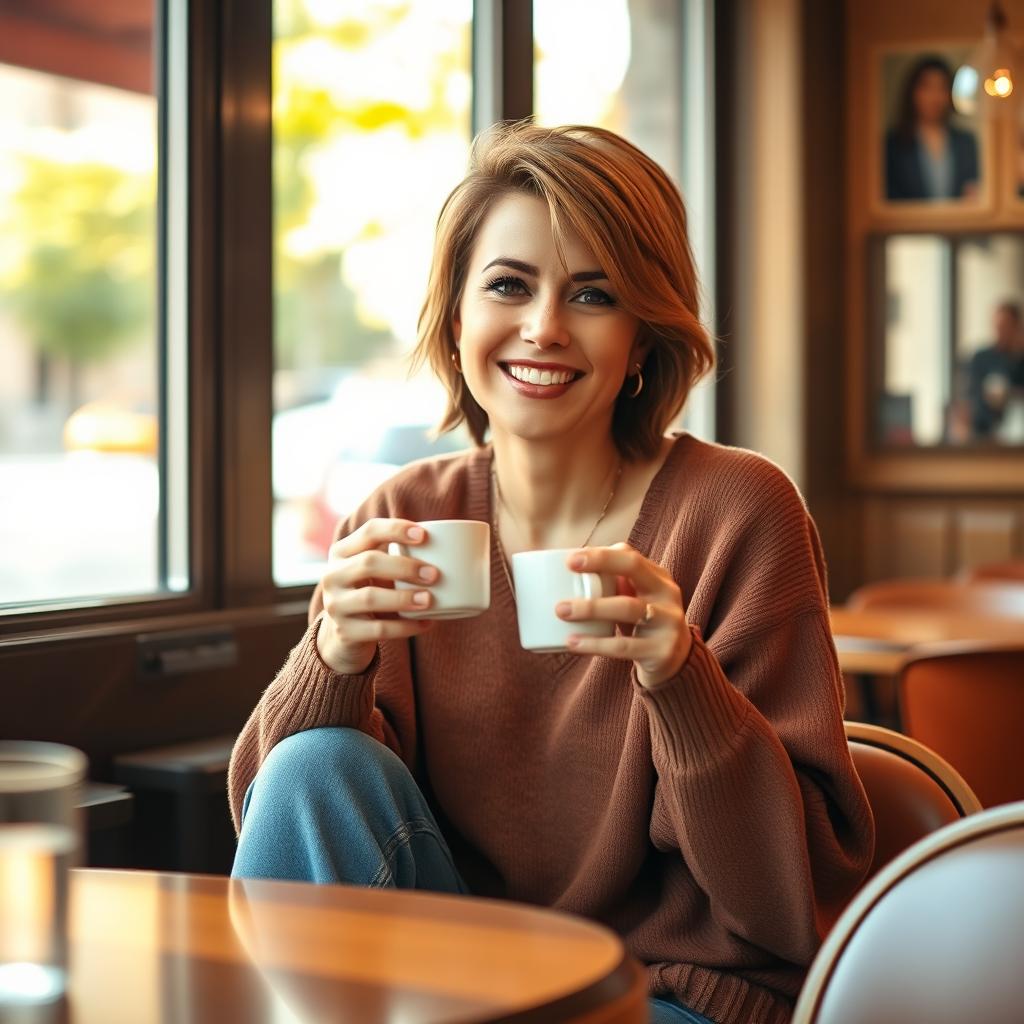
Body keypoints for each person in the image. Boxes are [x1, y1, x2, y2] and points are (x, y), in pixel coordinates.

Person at [228, 123, 874, 1024]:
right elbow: (286, 827)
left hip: (666, 995)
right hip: (463, 978)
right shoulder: (405, 514)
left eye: (593, 294)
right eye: (508, 285)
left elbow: (787, 903)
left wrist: (679, 676)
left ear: (643, 339)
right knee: (313, 762)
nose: (543, 328)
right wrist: (329, 660)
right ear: (457, 321)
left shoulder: (737, 510)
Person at [885, 55, 979, 202]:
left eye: (941, 88)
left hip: (959, 223)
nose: (934, 97)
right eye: (927, 87)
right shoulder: (894, 144)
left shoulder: (965, 142)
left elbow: (973, 188)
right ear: (913, 92)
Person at [966, 300, 1024, 440]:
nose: (1001, 332)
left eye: (1006, 327)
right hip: (984, 434)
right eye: (998, 327)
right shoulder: (981, 358)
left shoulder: (1019, 359)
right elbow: (971, 398)